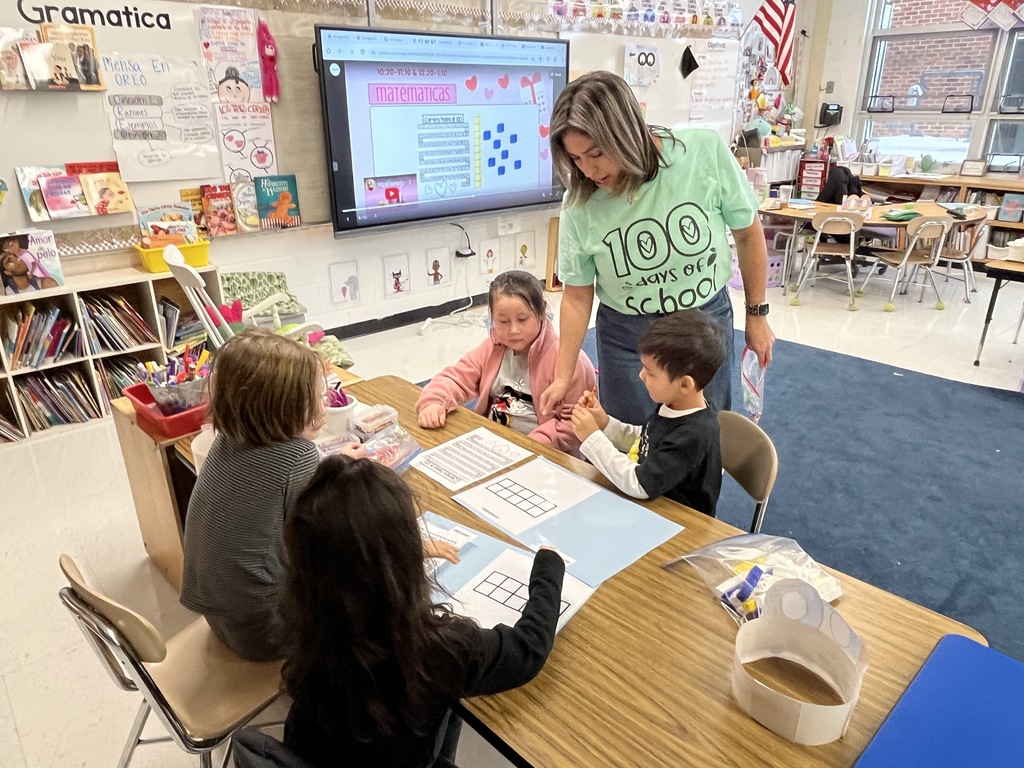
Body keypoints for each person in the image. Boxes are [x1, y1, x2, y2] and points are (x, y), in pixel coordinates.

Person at [280, 455, 566, 767]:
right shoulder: (436, 650)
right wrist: (549, 565)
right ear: (402, 561)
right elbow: (528, 649)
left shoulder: (305, 623)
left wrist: (390, 554)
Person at [538, 70, 775, 426]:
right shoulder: (580, 203)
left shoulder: (702, 152)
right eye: (576, 160)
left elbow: (746, 232)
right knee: (630, 446)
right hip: (629, 337)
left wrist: (756, 315)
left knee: (705, 438)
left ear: (627, 133)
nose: (588, 170)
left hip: (703, 327)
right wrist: (562, 377)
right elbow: (576, 295)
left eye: (597, 153)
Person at [179, 328, 367, 660]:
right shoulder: (300, 459)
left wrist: (328, 463)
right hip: (264, 631)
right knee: (361, 581)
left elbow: (273, 481)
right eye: (316, 399)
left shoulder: (228, 439)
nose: (323, 410)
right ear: (283, 409)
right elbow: (334, 538)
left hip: (218, 615)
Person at [416, 270, 596, 456]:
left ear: (542, 310)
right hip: (493, 444)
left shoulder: (569, 361)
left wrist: (535, 443)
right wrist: (434, 401)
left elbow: (575, 423)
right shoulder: (493, 347)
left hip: (545, 454)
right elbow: (456, 377)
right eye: (503, 321)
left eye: (522, 319)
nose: (513, 330)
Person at [570, 310, 724, 517]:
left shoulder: (694, 433)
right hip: (654, 509)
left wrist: (592, 438)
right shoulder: (673, 403)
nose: (641, 375)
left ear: (685, 384)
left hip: (681, 524)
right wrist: (605, 424)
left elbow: (640, 485)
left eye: (650, 372)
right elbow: (648, 438)